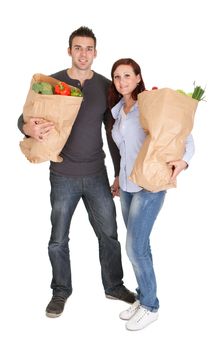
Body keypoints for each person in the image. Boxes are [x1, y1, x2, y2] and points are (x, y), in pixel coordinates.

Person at [18, 27, 136, 318]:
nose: (83, 53)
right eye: (78, 48)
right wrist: (25, 127)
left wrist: (119, 172)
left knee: (109, 234)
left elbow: (114, 133)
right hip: (62, 174)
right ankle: (60, 291)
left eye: (89, 48)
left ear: (96, 52)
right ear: (69, 50)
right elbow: (25, 115)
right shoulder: (53, 81)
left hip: (96, 172)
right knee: (58, 238)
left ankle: (114, 285)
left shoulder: (107, 87)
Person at [108, 58, 195, 331]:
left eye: (127, 76)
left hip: (150, 185)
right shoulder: (119, 110)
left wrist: (184, 160)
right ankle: (144, 296)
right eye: (117, 77)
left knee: (134, 246)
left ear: (138, 78)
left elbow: (183, 135)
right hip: (127, 185)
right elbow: (124, 152)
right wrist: (118, 179)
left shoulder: (151, 104)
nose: (122, 81)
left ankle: (150, 306)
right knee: (139, 246)